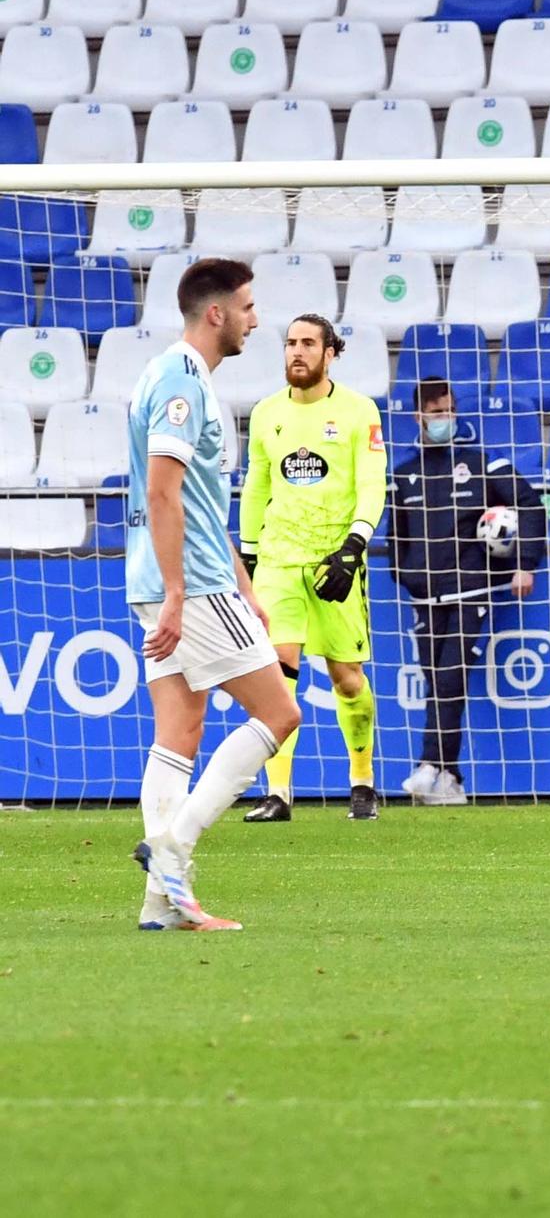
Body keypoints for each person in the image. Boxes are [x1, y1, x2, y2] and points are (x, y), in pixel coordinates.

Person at [127, 257, 302, 931]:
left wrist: (247, 585)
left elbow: (199, 499)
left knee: (179, 729)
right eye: (250, 307)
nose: (258, 320)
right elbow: (162, 490)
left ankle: (160, 904)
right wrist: (179, 591)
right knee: (281, 713)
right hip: (188, 581)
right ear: (217, 312)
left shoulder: (173, 373)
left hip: (176, 576)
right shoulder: (180, 382)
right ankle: (173, 848)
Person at [238, 315, 387, 822]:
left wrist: (354, 546)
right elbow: (258, 483)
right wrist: (251, 549)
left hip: (335, 560)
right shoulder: (265, 414)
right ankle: (277, 793)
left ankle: (362, 780)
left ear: (330, 353)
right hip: (279, 560)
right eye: (290, 343)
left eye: (308, 344)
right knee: (279, 679)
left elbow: (372, 483)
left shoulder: (358, 411)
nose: (296, 352)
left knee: (346, 678)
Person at [387, 379, 546, 806]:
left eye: (450, 411)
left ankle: (427, 765)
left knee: (450, 675)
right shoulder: (404, 475)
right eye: (437, 413)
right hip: (425, 596)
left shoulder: (480, 464)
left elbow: (529, 505)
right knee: (438, 680)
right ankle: (449, 778)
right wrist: (409, 577)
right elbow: (395, 539)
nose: (445, 419)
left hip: (471, 590)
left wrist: (523, 564)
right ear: (418, 417)